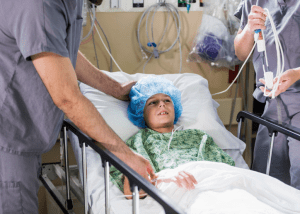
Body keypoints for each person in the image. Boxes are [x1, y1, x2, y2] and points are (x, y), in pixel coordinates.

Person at [0, 1, 155, 213]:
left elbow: (60, 50)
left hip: (22, 137)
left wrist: (116, 89)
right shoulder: (37, 5)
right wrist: (126, 157)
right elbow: (67, 98)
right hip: (8, 141)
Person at [109, 76, 235, 198]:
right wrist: (166, 178)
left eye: (167, 100)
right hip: (172, 196)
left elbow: (227, 172)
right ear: (141, 112)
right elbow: (132, 192)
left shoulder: (199, 137)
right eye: (153, 102)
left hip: (212, 191)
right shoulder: (136, 144)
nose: (162, 104)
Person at [234, 1, 300, 189]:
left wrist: (296, 73)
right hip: (273, 105)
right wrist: (249, 28)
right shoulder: (253, 2)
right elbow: (240, 53)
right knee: (265, 180)